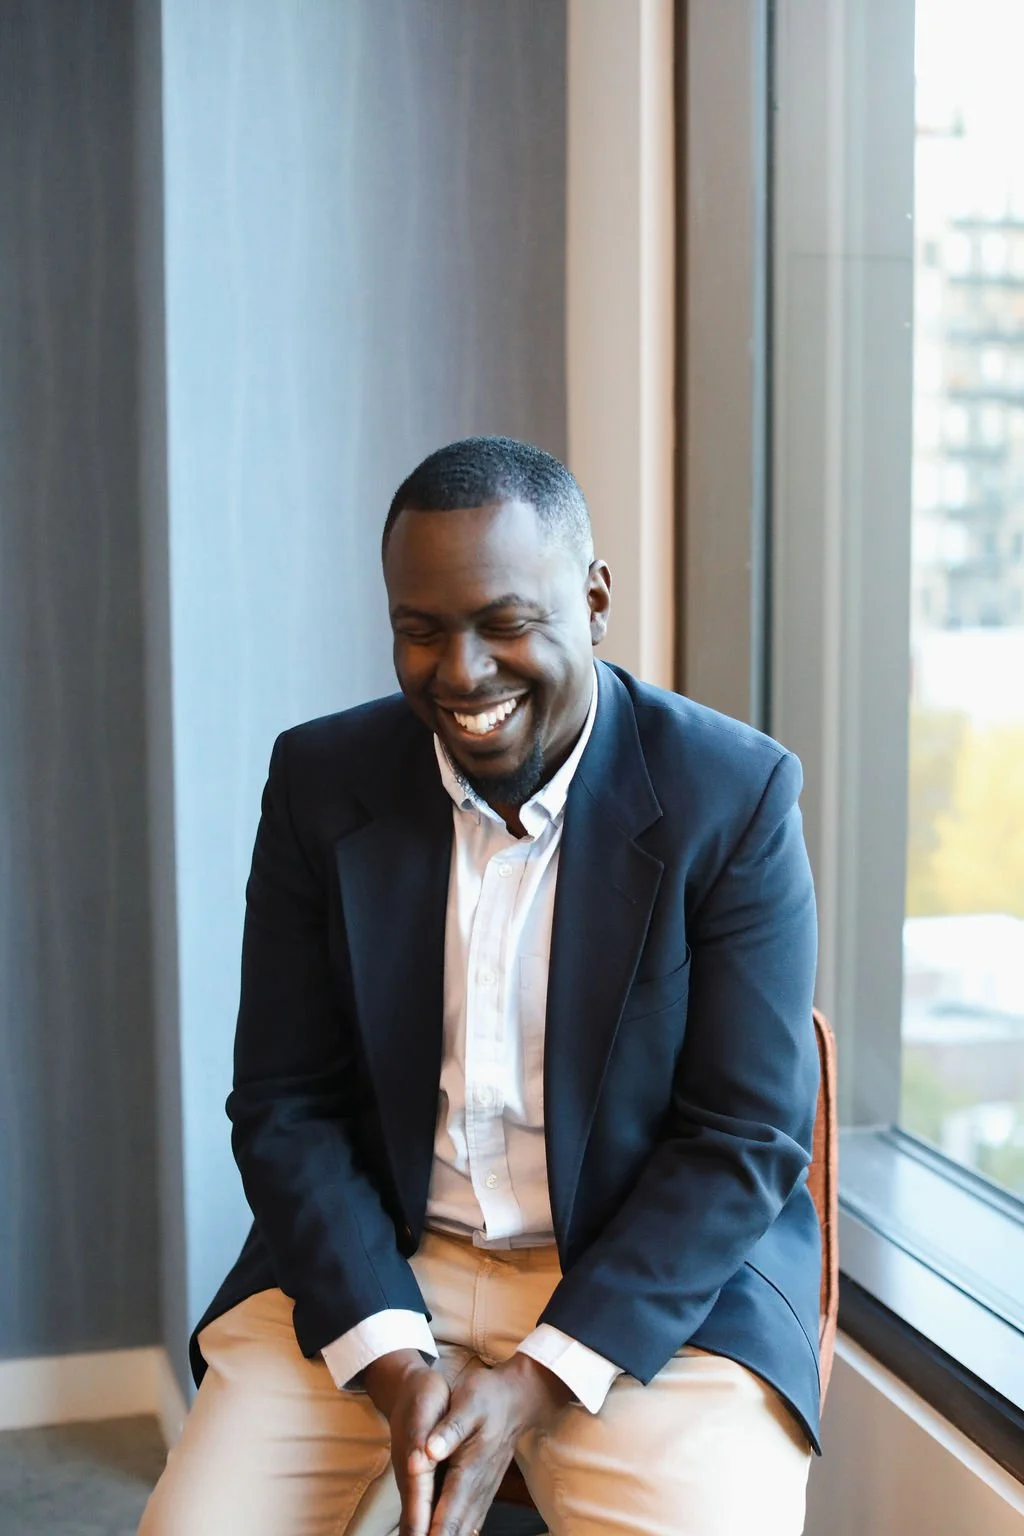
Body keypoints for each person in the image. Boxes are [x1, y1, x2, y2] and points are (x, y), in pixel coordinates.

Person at [139, 436, 820, 1536]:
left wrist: (536, 1380)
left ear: (594, 601)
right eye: (422, 630)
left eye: (506, 623)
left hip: (648, 1290)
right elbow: (285, 1106)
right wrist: (393, 1360)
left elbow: (742, 1139)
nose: (461, 673)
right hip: (377, 1263)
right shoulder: (320, 784)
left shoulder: (732, 797)